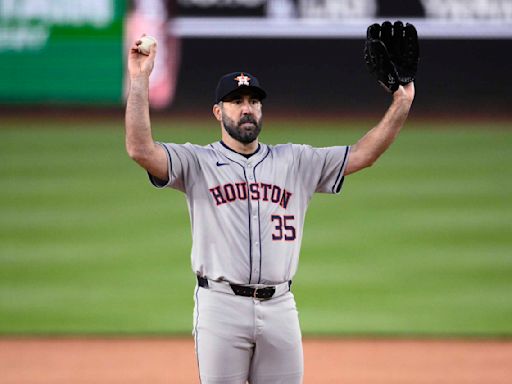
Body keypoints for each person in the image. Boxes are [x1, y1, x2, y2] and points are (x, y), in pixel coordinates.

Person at [125, 22, 416, 384]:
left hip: (280, 307)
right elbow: (140, 149)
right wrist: (139, 81)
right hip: (220, 307)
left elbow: (364, 154)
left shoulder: (295, 161)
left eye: (253, 101)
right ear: (218, 112)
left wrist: (402, 100)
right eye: (236, 102)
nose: (246, 109)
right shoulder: (196, 162)